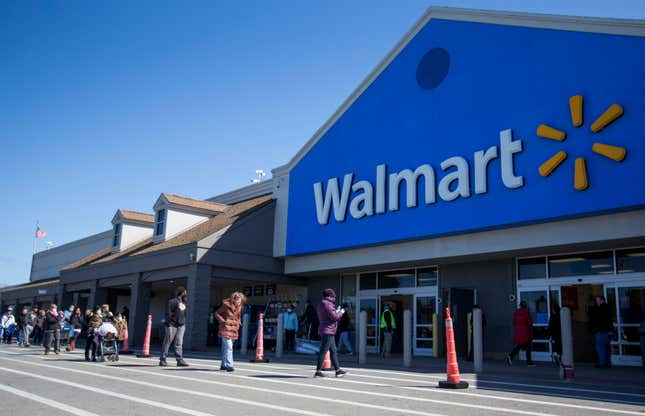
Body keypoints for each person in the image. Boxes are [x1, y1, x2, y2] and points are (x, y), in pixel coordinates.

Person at [314, 288, 347, 378]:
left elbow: (329, 316)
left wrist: (336, 311)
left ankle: (338, 370)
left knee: (333, 351)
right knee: (323, 351)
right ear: (329, 296)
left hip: (327, 330)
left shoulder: (321, 304)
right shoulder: (327, 304)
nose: (334, 298)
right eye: (333, 297)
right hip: (328, 330)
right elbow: (335, 317)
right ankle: (318, 371)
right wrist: (341, 312)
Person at [215, 292, 246, 371]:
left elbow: (238, 317)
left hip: (233, 329)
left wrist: (239, 323)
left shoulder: (239, 307)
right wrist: (223, 321)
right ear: (233, 300)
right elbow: (217, 313)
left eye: (240, 301)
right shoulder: (226, 306)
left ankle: (223, 365)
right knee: (229, 347)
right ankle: (230, 365)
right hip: (225, 329)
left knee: (226, 348)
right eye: (237, 300)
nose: (239, 302)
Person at [160, 286, 189, 367]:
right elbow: (168, 313)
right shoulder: (172, 301)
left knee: (179, 343)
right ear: (182, 292)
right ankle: (163, 359)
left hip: (181, 325)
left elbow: (183, 314)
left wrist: (183, 321)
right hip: (172, 325)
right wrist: (169, 323)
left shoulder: (183, 302)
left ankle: (179, 360)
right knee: (167, 342)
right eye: (185, 292)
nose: (186, 293)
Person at [506, 301, 535, 367]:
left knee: (519, 346)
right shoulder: (526, 312)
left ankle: (510, 356)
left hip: (518, 333)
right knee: (527, 347)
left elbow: (514, 322)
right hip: (525, 332)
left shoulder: (516, 312)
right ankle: (529, 362)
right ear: (525, 306)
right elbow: (530, 322)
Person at [590, 295, 613, 368]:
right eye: (596, 300)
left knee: (600, 348)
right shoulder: (607, 308)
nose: (597, 302)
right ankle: (608, 363)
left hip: (601, 331)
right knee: (606, 348)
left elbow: (596, 319)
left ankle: (602, 363)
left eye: (598, 300)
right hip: (607, 331)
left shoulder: (600, 309)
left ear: (602, 300)